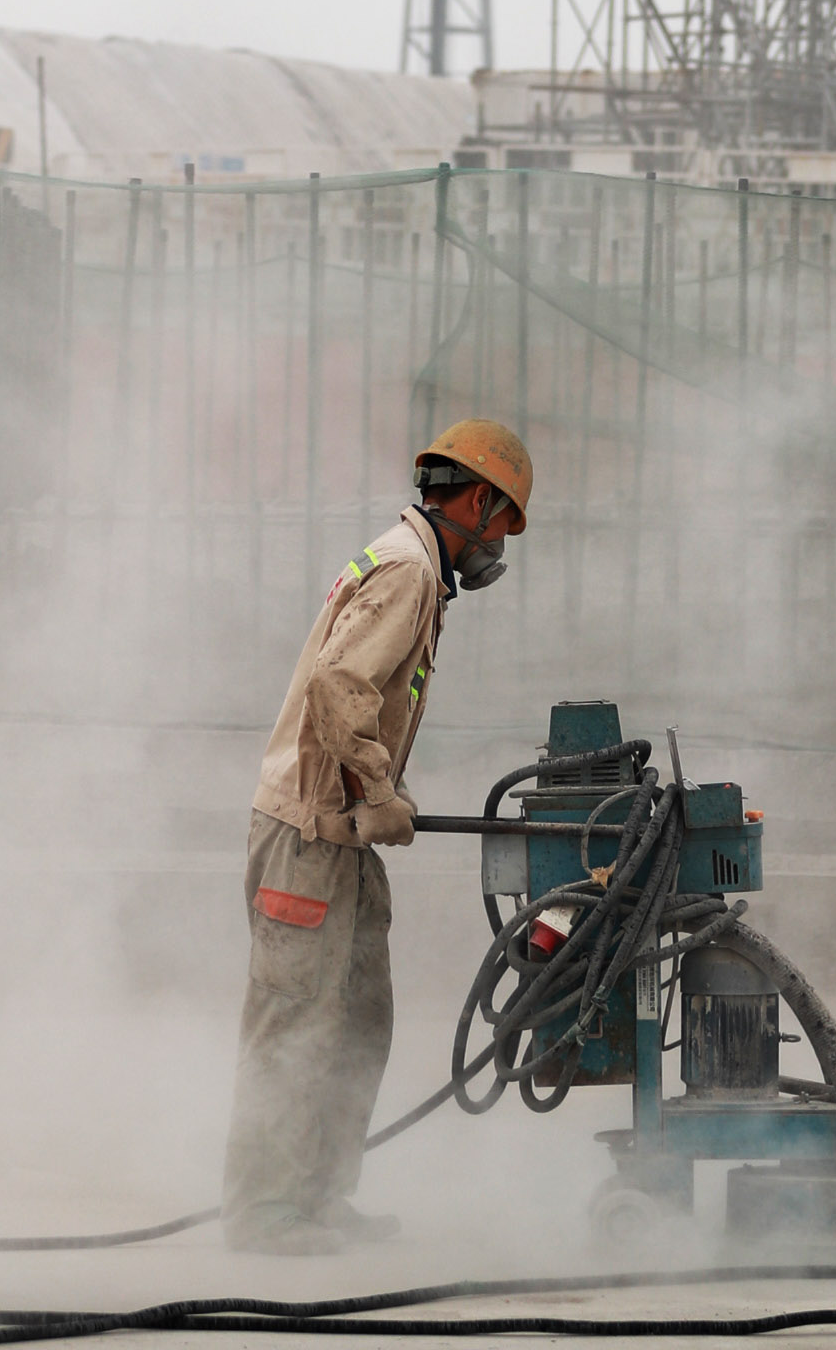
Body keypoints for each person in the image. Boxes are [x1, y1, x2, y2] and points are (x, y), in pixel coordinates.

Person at [221, 418, 533, 1256]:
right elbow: (340, 684)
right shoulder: (408, 572)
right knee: (294, 1027)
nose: (498, 546)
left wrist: (376, 795)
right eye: (502, 525)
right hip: (309, 836)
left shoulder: (412, 564)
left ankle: (318, 1199)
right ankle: (264, 1213)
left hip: (341, 839)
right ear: (476, 501)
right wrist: (377, 787)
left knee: (356, 1023)